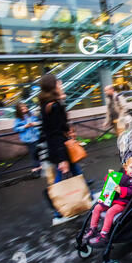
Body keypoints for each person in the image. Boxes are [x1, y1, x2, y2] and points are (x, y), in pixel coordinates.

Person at [39, 74, 85, 225]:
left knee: (76, 172)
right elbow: (55, 133)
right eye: (59, 82)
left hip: (59, 148)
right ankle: (58, 211)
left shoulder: (48, 104)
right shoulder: (54, 106)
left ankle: (87, 196)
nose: (61, 84)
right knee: (61, 179)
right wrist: (62, 159)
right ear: (53, 86)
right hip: (61, 149)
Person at [83, 156, 132, 248]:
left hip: (124, 203)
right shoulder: (122, 175)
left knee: (110, 212)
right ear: (125, 167)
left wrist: (121, 190)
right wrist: (110, 176)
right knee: (97, 208)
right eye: (131, 167)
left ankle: (104, 235)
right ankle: (93, 228)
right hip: (113, 199)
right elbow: (110, 183)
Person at [14, 103, 42, 174]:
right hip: (28, 139)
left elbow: (39, 122)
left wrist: (34, 123)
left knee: (38, 153)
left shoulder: (32, 114)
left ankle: (39, 168)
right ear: (19, 111)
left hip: (36, 136)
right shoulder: (18, 119)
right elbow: (16, 128)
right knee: (33, 154)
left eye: (25, 107)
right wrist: (24, 127)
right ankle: (36, 171)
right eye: (22, 109)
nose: (24, 109)